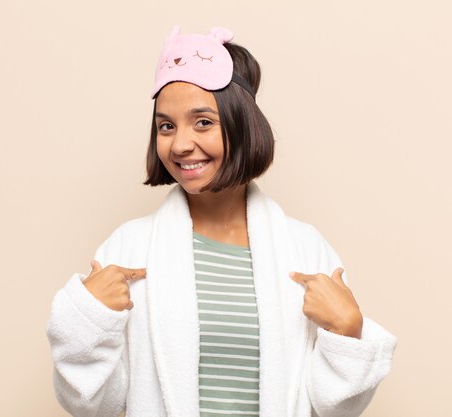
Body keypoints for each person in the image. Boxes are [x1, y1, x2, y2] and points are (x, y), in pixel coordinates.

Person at [46, 25, 397, 417]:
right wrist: (89, 322)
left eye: (202, 122)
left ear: (241, 124)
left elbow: (333, 408)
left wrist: (348, 333)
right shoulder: (128, 249)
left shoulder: (305, 250)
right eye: (166, 126)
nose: (179, 144)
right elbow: (95, 406)